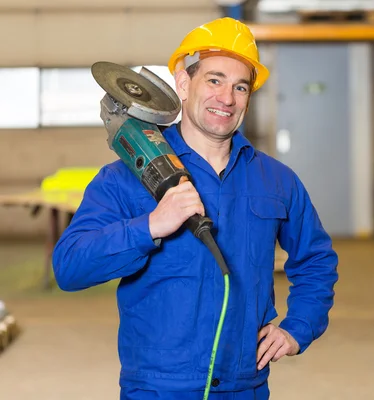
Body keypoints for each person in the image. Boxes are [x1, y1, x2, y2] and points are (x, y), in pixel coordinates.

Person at [52, 17, 339, 400]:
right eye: (215, 80)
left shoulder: (276, 180)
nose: (227, 98)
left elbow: (317, 259)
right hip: (156, 388)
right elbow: (70, 266)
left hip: (243, 387)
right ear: (184, 84)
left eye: (241, 87)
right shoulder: (126, 176)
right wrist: (151, 226)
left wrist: (298, 327)